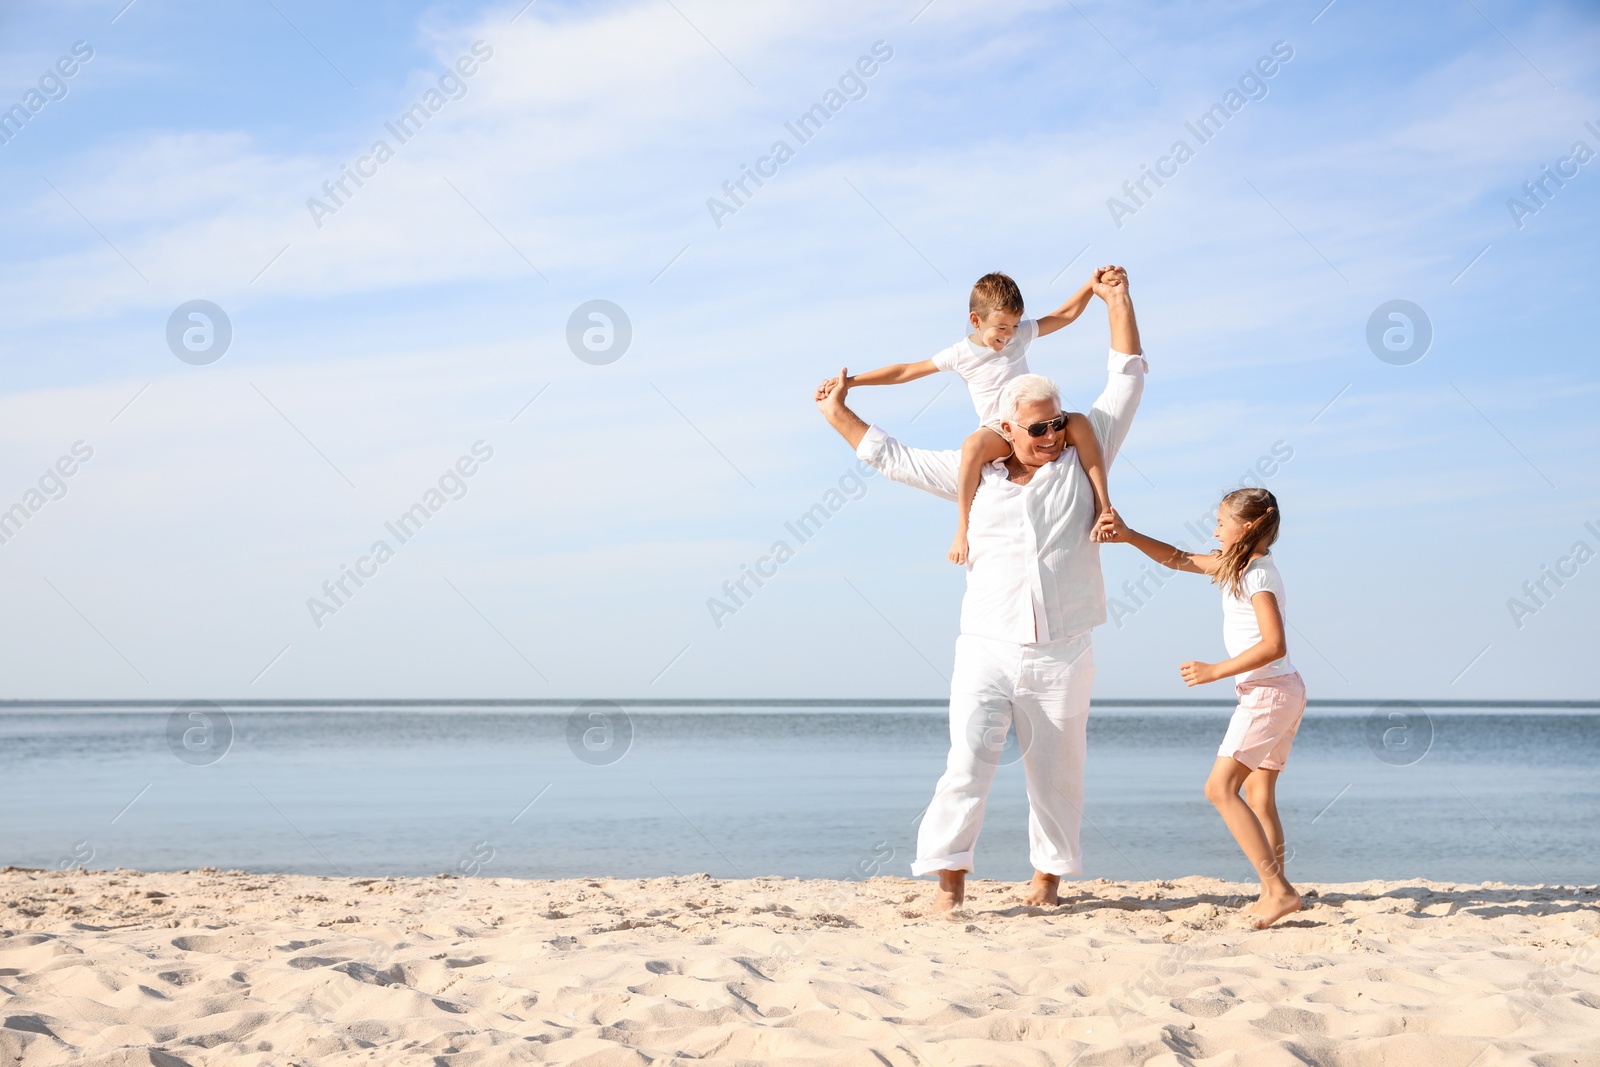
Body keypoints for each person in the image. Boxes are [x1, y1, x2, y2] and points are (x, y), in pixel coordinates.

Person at [814, 268, 1143, 912]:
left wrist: (1118, 301)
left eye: (1057, 426)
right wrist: (839, 410)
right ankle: (949, 884)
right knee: (967, 762)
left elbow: (1127, 377)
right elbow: (893, 457)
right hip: (986, 646)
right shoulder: (973, 474)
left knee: (1058, 772)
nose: (1051, 438)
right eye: (1037, 430)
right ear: (1008, 429)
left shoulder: (1083, 456)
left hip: (1063, 649)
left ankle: (1046, 883)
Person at [1100, 488, 1305, 929]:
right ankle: (1277, 890)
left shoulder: (1258, 576)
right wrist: (1130, 535)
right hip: (1280, 691)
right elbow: (1178, 558)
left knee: (1219, 789)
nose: (1214, 530)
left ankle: (1279, 892)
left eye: (1219, 522)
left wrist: (1215, 671)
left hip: (1268, 693)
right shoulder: (1240, 566)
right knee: (1258, 797)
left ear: (1246, 526)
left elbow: (1274, 644)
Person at [836, 270, 1115, 566]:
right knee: (972, 447)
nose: (1008, 336)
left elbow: (1064, 315)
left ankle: (1105, 507)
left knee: (1080, 424)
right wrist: (852, 382)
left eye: (1015, 326)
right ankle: (961, 529)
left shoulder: (1018, 336)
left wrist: (1090, 287)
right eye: (1001, 328)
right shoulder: (959, 354)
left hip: (1035, 419)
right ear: (976, 320)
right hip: (999, 429)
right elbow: (905, 371)